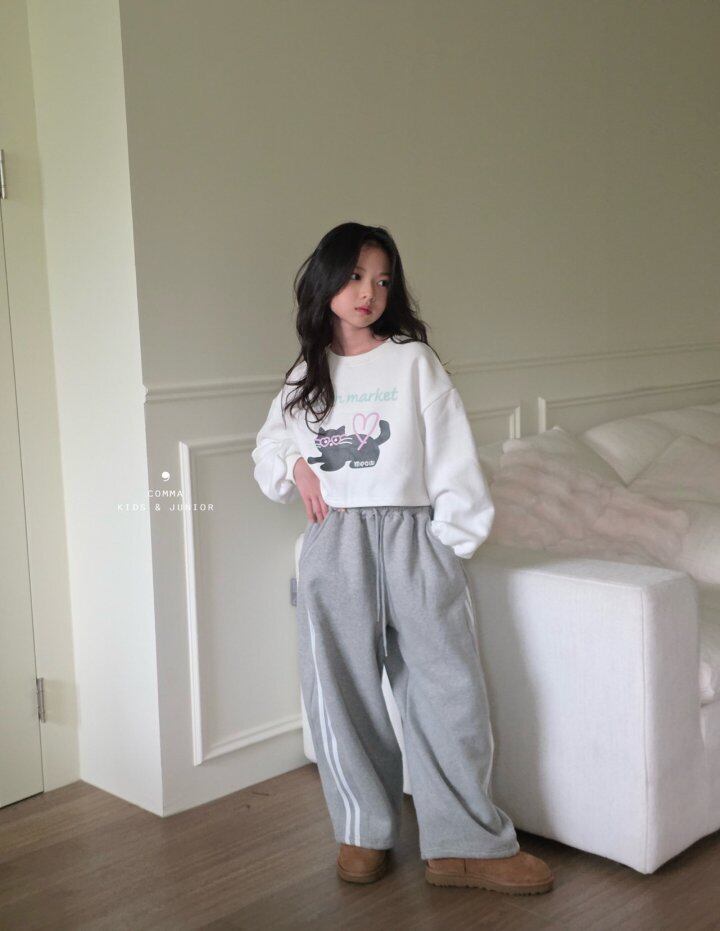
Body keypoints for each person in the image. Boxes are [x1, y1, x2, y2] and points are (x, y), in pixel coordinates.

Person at [251, 222, 553, 895]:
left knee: (449, 690)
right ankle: (362, 831)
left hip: (415, 537)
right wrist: (296, 463)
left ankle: (464, 844)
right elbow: (267, 449)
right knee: (340, 693)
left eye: (383, 280)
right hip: (335, 542)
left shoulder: (414, 362)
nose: (369, 292)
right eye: (356, 276)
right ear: (326, 281)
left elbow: (452, 453)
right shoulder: (305, 375)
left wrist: (452, 540)